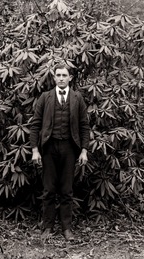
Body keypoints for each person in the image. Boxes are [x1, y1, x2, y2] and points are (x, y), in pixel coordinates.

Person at [30, 63, 90, 241]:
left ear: (70, 78)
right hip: (48, 148)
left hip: (70, 149)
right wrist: (35, 150)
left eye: (65, 75)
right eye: (58, 75)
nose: (62, 78)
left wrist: (84, 151)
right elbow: (35, 125)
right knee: (48, 189)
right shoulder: (45, 97)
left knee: (66, 190)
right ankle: (47, 227)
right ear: (54, 77)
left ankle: (67, 228)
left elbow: (84, 127)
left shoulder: (77, 98)